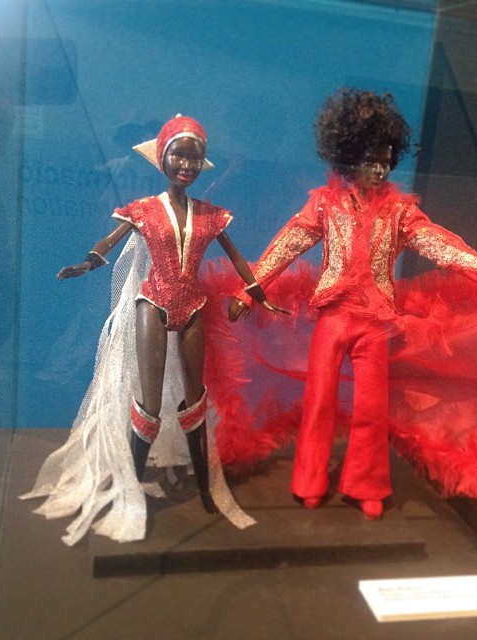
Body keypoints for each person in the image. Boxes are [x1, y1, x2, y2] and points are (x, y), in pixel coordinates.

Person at [229, 89, 477, 521]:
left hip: (374, 324)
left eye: (386, 160)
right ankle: (309, 479)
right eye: (370, 160)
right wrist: (247, 290)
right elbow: (287, 244)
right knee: (319, 401)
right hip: (333, 318)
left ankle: (366, 483)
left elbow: (440, 245)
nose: (379, 168)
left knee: (371, 407)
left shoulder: (400, 212)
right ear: (349, 157)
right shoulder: (325, 204)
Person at [21, 114, 284, 544]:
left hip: (193, 305)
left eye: (195, 158)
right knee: (149, 400)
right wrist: (87, 263)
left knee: (195, 398)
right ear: (162, 157)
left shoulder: (210, 214)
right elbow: (109, 242)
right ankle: (131, 486)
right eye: (179, 155)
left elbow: (236, 256)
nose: (187, 165)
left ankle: (205, 488)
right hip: (154, 304)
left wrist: (255, 291)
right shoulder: (143, 209)